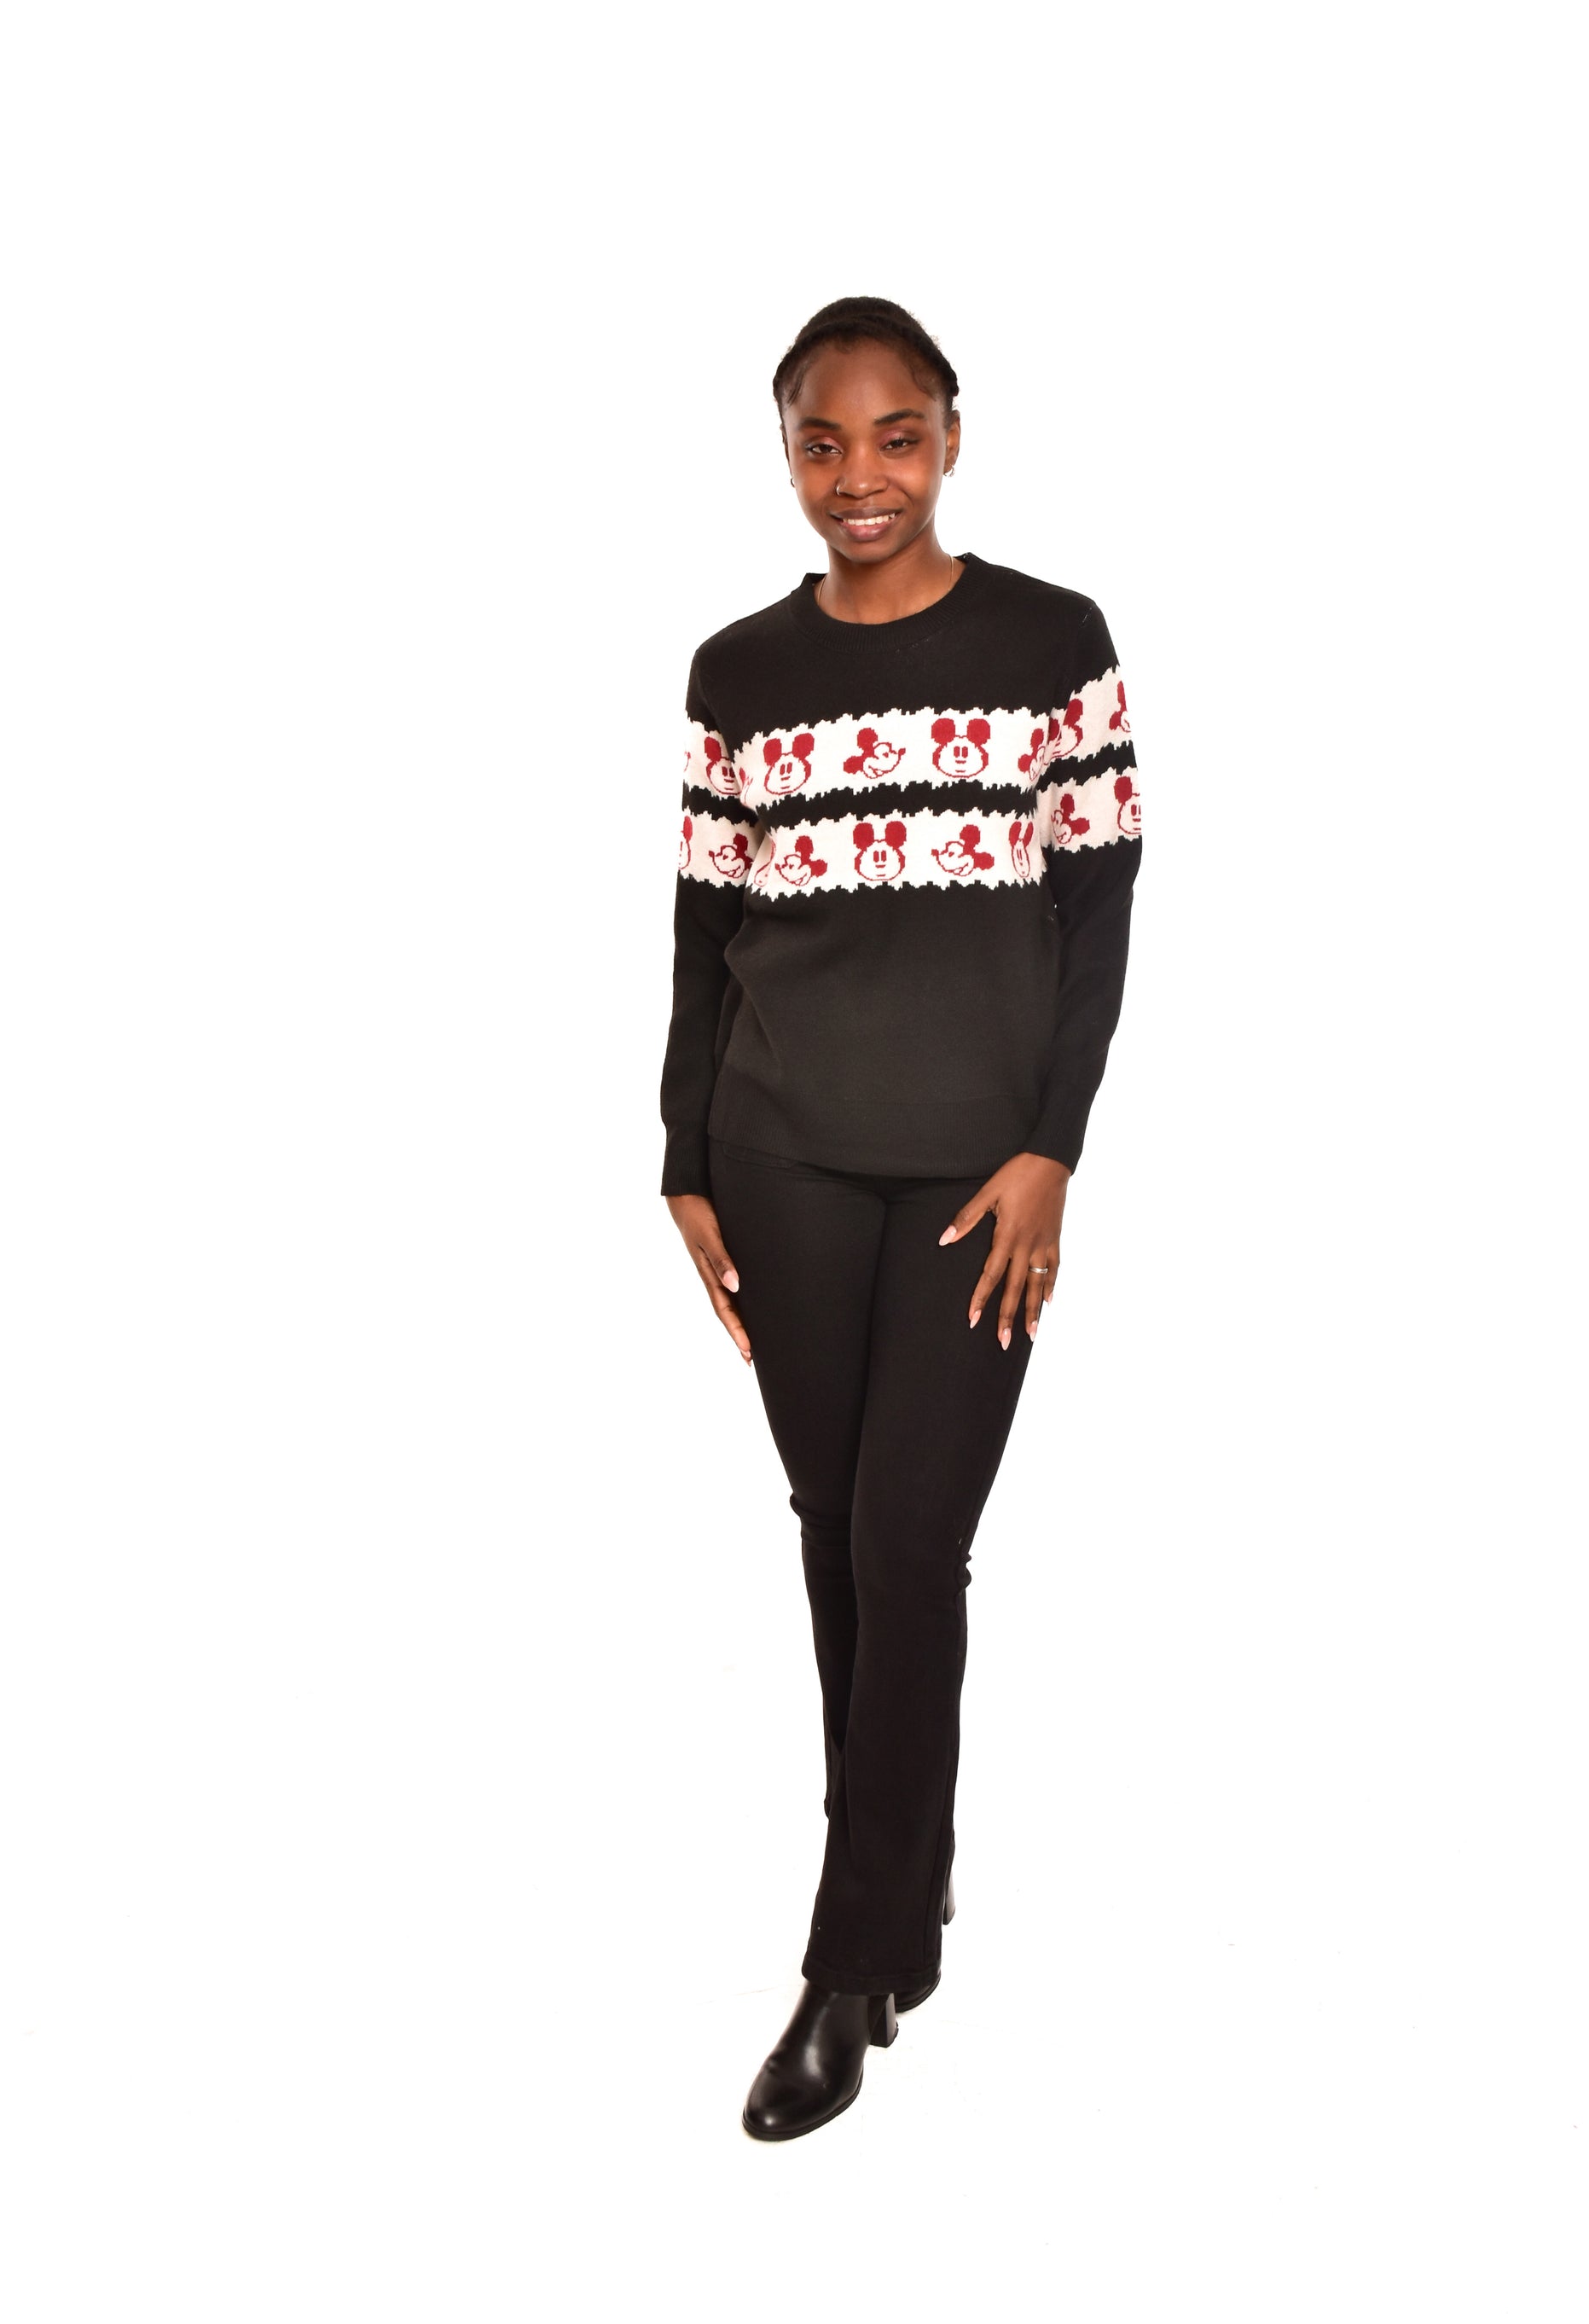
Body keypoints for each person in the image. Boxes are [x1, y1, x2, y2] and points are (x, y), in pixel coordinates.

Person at [658, 296, 1143, 2140]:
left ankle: (847, 1964)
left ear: (949, 434)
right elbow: (705, 923)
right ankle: (903, 1885)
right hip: (777, 1151)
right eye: (821, 440)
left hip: (970, 1175)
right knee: (832, 1528)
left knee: (907, 1541)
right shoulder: (736, 671)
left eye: (894, 435)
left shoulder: (1051, 642)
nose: (858, 474)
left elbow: (1097, 907)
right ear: (786, 453)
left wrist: (1051, 1148)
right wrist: (684, 1151)